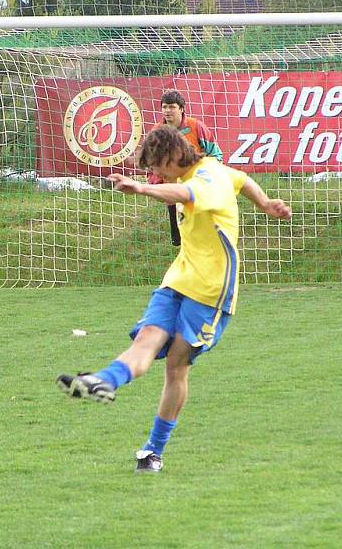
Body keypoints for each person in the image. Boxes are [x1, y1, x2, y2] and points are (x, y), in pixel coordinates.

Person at [57, 124, 292, 473]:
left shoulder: (207, 175)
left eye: (156, 168)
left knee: (176, 366)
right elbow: (241, 179)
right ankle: (104, 381)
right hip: (179, 277)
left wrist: (139, 189)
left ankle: (153, 450)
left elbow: (187, 195)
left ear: (171, 156)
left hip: (211, 289)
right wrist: (264, 203)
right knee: (149, 338)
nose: (155, 175)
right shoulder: (213, 172)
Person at [149, 89, 221, 246]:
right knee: (180, 241)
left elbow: (216, 154)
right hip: (173, 192)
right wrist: (155, 181)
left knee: (203, 236)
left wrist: (210, 177)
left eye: (172, 107)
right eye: (164, 107)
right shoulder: (157, 131)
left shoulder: (196, 127)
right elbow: (151, 160)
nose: (167, 111)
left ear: (181, 108)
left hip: (198, 190)